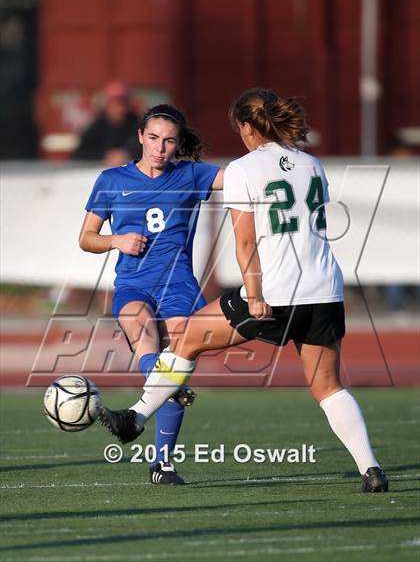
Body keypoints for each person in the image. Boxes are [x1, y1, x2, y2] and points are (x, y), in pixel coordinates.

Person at [99, 88, 389, 493]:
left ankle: (135, 418)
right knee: (327, 386)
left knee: (188, 340)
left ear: (249, 128)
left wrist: (253, 293)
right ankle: (371, 470)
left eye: (240, 128)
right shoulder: (312, 164)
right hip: (324, 289)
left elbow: (246, 242)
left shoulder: (243, 168)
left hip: (274, 288)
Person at [79, 103, 223, 484]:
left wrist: (275, 155)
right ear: (141, 136)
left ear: (178, 145)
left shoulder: (193, 174)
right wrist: (116, 240)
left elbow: (242, 179)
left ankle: (162, 463)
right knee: (150, 348)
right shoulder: (111, 180)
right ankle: (172, 391)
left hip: (179, 287)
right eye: (154, 138)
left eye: (169, 141)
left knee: (176, 354)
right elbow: (86, 239)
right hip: (132, 285)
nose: (160, 147)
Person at [73, 81, 140, 166]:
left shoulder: (139, 125)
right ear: (107, 103)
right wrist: (105, 156)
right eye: (115, 102)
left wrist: (128, 156)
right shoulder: (96, 126)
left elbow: (152, 151)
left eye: (123, 102)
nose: (120, 108)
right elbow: (78, 155)